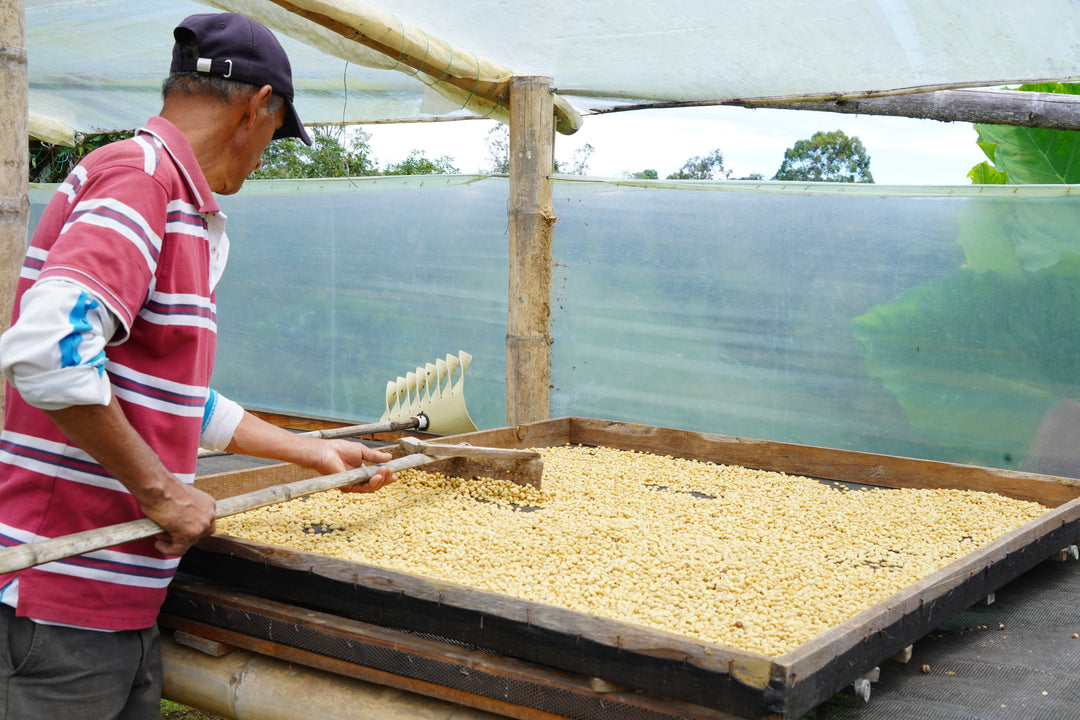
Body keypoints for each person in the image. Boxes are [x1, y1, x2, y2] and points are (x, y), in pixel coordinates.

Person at [0, 12, 395, 719]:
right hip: (59, 603)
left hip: (117, 604)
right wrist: (162, 494)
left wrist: (310, 451)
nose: (266, 152)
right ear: (257, 105)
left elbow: (174, 401)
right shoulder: (140, 181)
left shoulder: (175, 201)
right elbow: (47, 353)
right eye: (277, 132)